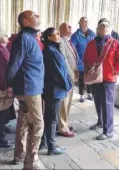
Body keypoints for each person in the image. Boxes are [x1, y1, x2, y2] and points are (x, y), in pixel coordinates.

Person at [8, 10, 44, 169]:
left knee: (23, 122)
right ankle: (31, 162)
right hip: (30, 89)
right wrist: (10, 85)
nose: (38, 17)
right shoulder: (24, 38)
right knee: (37, 125)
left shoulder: (28, 38)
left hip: (29, 87)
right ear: (26, 22)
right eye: (35, 15)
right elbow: (14, 65)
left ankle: (20, 155)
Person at [83, 19, 119, 140]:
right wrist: (89, 69)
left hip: (108, 78)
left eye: (107, 26)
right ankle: (100, 122)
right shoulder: (91, 44)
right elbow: (86, 59)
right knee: (98, 101)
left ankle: (108, 130)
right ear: (98, 29)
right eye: (102, 26)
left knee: (107, 104)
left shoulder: (114, 43)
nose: (105, 28)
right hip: (95, 77)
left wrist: (113, 71)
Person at [40, 27, 72, 155]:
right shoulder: (50, 51)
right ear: (49, 37)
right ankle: (52, 146)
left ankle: (43, 142)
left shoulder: (52, 49)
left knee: (49, 117)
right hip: (54, 90)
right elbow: (58, 73)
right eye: (56, 34)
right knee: (52, 118)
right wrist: (68, 85)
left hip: (54, 89)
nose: (59, 35)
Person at [57, 22, 78, 137]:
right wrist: (71, 74)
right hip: (67, 77)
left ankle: (64, 122)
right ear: (62, 29)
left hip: (71, 76)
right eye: (68, 26)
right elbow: (63, 60)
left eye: (71, 26)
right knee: (64, 104)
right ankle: (62, 128)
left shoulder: (68, 41)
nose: (71, 28)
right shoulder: (61, 41)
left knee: (68, 102)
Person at [70, 17, 96, 102]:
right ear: (80, 23)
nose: (85, 23)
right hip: (80, 60)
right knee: (82, 78)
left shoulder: (92, 34)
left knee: (90, 77)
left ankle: (89, 93)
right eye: (83, 21)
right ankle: (81, 94)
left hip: (90, 60)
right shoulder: (75, 35)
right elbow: (72, 48)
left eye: (87, 22)